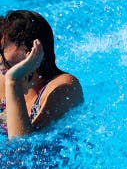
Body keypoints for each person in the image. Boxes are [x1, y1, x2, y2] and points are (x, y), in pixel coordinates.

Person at [1, 10, 83, 139]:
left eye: (1, 49)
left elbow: (22, 148)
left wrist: (13, 81)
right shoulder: (2, 79)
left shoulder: (64, 87)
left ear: (29, 49)